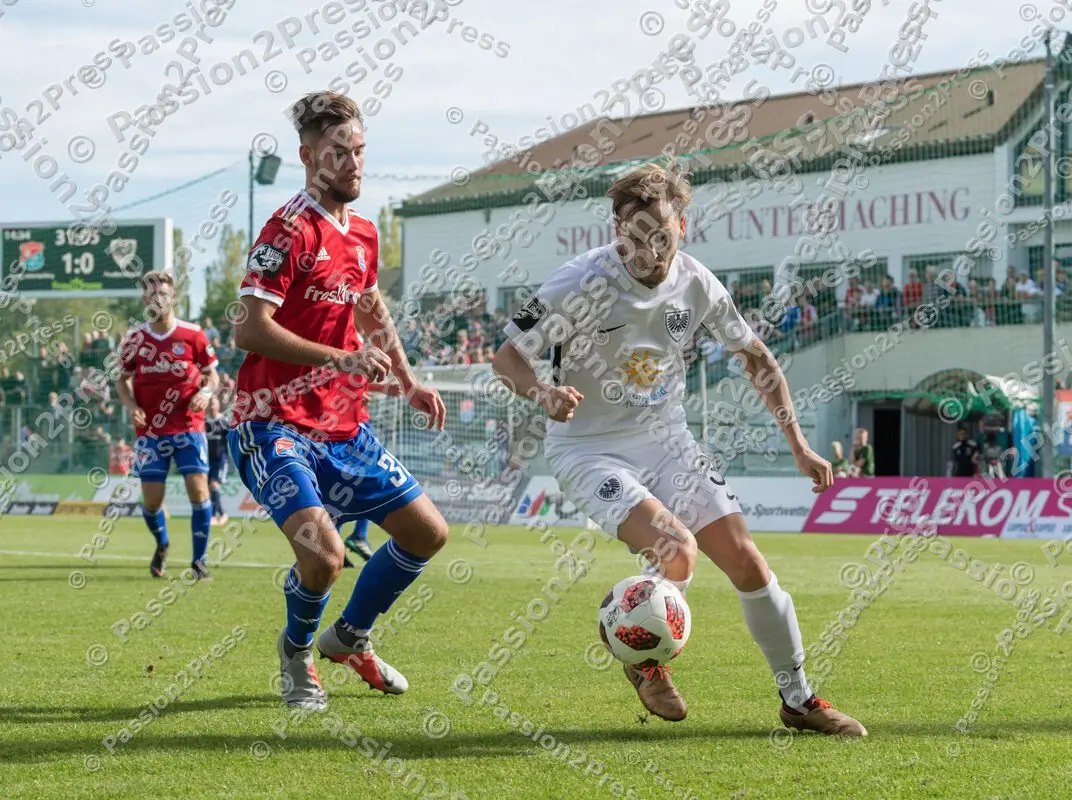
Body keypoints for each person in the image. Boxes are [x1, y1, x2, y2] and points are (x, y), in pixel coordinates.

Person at [491, 162, 866, 737]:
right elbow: (507, 356)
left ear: (681, 226)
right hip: (590, 448)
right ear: (617, 231)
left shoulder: (697, 284)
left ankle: (799, 699)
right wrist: (541, 390)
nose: (647, 250)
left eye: (659, 234)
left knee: (749, 563)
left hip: (668, 443)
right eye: (634, 236)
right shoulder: (577, 282)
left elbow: (757, 359)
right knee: (677, 548)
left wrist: (799, 444)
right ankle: (643, 656)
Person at [230, 91, 449, 711]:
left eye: (358, 150)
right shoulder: (286, 230)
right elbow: (247, 328)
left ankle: (349, 637)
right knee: (324, 558)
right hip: (271, 422)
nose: (353, 163)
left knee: (427, 534)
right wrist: (341, 359)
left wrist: (407, 380)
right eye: (338, 152)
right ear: (308, 156)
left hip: (342, 426)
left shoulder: (365, 233)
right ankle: (297, 655)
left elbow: (371, 310)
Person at [116, 272, 219, 579]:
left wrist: (206, 391)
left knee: (198, 491)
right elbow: (121, 379)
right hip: (150, 432)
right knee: (151, 500)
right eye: (151, 293)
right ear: (145, 299)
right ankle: (162, 543)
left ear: (173, 297)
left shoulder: (193, 333)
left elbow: (212, 374)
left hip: (188, 426)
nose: (158, 298)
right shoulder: (134, 338)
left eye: (163, 292)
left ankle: (199, 561)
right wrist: (132, 407)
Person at [204, 395, 231, 527]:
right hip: (206, 460)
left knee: (214, 485)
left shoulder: (224, 422)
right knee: (208, 489)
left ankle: (214, 516)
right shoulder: (204, 422)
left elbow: (230, 440)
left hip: (220, 460)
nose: (212, 406)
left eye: (214, 403)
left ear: (218, 405)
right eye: (210, 403)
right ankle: (222, 513)